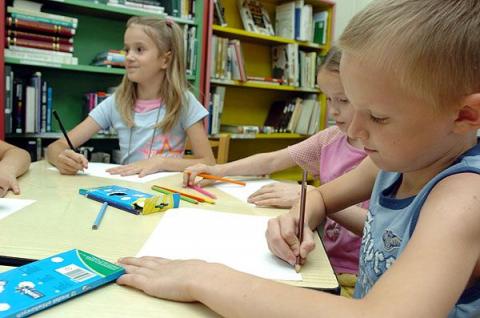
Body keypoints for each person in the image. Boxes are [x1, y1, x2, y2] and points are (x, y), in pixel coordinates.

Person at [117, 0, 480, 316]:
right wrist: (299, 217)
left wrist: (204, 277)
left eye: (378, 117)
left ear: (465, 116)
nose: (352, 131)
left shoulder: (464, 197)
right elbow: (322, 196)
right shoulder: (396, 161)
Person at [184, 47, 367, 297]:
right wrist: (217, 169)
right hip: (323, 262)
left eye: (343, 100)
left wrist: (316, 196)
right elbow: (271, 161)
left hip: (358, 278)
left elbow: (380, 228)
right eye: (329, 99)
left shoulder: (386, 155)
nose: (333, 110)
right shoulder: (330, 140)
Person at [47, 16, 215, 176]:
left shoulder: (183, 102)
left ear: (165, 60)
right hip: (128, 191)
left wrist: (161, 162)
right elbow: (56, 147)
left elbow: (209, 162)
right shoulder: (116, 101)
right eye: (127, 49)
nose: (129, 57)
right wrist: (62, 159)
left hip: (167, 192)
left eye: (139, 50)